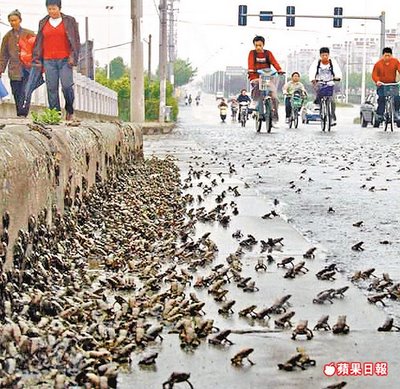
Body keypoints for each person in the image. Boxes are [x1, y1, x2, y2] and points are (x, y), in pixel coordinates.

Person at [32, 0, 80, 121]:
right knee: (51, 87)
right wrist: (37, 59)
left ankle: (69, 109)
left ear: (59, 8)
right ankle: (55, 114)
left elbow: (76, 41)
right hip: (48, 60)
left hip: (65, 60)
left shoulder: (69, 21)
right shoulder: (43, 22)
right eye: (49, 9)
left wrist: (73, 56)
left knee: (67, 86)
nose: (52, 11)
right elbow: (39, 42)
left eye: (54, 8)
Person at [0, 10, 36, 117]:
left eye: (15, 20)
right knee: (16, 91)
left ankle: (23, 113)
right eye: (11, 21)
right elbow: (3, 55)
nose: (13, 22)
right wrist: (1, 69)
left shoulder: (29, 34)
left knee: (25, 91)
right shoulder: (7, 37)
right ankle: (19, 112)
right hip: (14, 68)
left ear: (20, 20)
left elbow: (36, 49)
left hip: (28, 68)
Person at [247, 35, 284, 123]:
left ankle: (274, 118)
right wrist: (251, 70)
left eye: (260, 45)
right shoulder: (252, 53)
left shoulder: (268, 53)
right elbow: (250, 64)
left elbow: (274, 62)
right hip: (255, 76)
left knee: (274, 97)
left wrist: (279, 70)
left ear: (263, 44)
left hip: (267, 76)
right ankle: (255, 101)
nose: (258, 47)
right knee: (257, 83)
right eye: (256, 45)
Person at [308, 47, 342, 126]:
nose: (325, 57)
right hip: (320, 82)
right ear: (320, 55)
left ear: (328, 55)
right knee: (319, 94)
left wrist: (338, 77)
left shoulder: (332, 63)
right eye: (323, 55)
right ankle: (320, 106)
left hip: (330, 83)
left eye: (326, 55)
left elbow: (337, 71)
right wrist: (313, 79)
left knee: (332, 100)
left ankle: (332, 118)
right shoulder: (317, 63)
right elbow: (312, 71)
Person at [371, 47, 400, 125]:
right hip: (382, 84)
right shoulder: (378, 64)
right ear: (382, 55)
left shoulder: (395, 62)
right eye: (385, 55)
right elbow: (374, 75)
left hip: (392, 84)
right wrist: (377, 81)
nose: (387, 57)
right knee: (381, 98)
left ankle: (397, 113)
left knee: (397, 97)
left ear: (391, 55)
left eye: (389, 55)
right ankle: (380, 114)